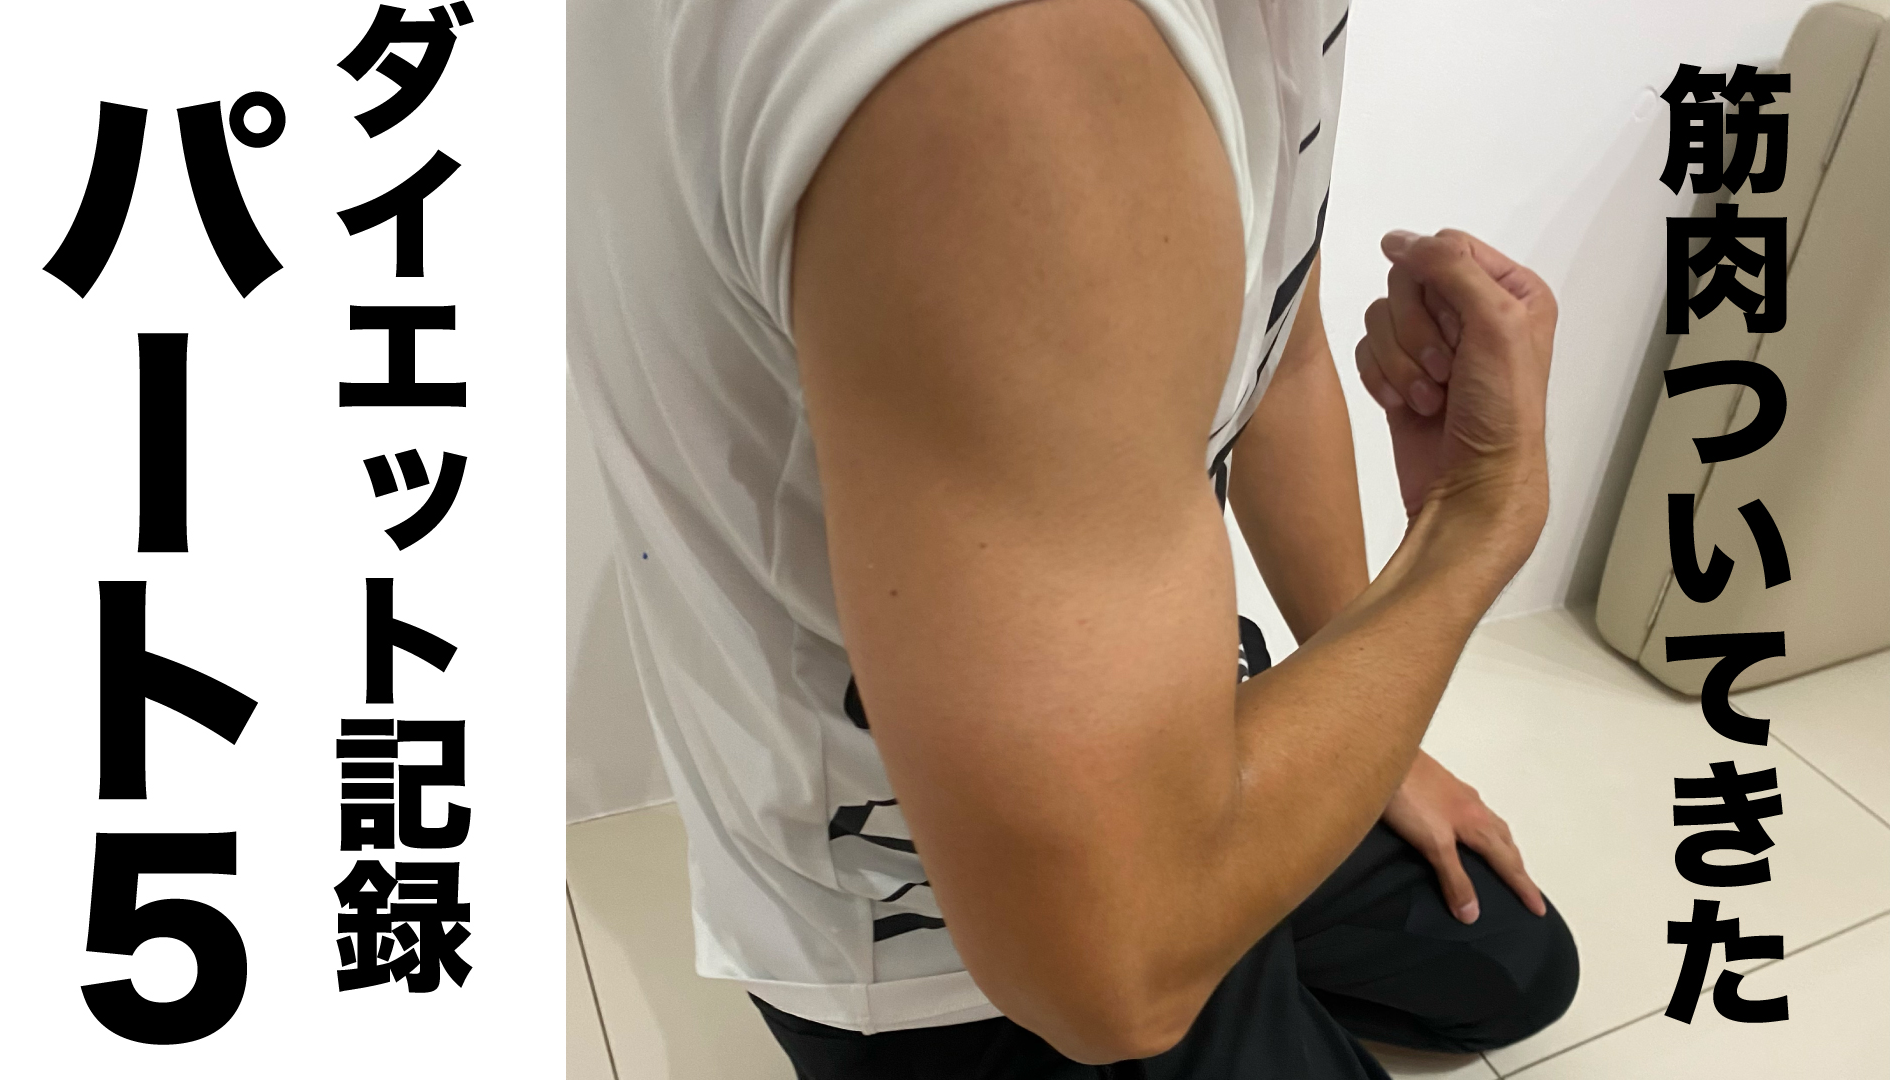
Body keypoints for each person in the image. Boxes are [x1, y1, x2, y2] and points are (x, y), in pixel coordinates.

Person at [570, 0, 1579, 1074]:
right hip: (946, 921)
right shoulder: (1026, 66)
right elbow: (1118, 975)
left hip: (1145, 727)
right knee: (1166, 965)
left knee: (1514, 968)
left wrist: (1373, 725)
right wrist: (1475, 523)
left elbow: (1281, 355)